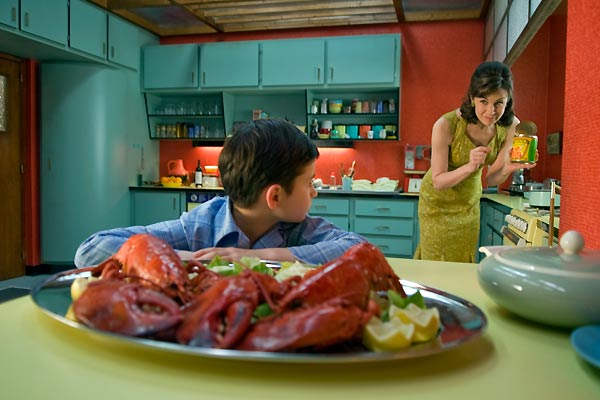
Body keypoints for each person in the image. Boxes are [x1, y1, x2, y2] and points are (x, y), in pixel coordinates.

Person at [74, 119, 367, 268]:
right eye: (309, 182)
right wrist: (190, 260)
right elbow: (91, 250)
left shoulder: (301, 229)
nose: (314, 192)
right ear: (275, 197)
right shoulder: (199, 226)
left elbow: (360, 249)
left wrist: (255, 257)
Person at [414, 61, 536, 262]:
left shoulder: (511, 126)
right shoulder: (446, 125)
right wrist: (470, 166)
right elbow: (438, 180)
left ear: (508, 101)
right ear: (472, 98)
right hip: (437, 204)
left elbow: (493, 179)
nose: (491, 111)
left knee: (464, 260)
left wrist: (508, 167)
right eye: (484, 101)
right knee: (437, 261)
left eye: (499, 103)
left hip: (469, 204)